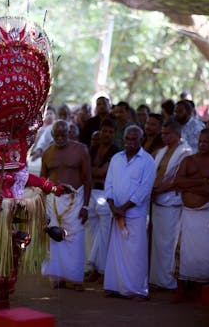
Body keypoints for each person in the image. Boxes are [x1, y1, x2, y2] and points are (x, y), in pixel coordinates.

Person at [103, 125, 156, 300]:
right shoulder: (116, 159)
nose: (130, 142)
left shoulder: (147, 160)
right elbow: (109, 184)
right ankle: (115, 286)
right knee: (116, 252)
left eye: (134, 139)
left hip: (135, 215)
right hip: (116, 213)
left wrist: (123, 209)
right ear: (123, 139)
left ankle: (137, 290)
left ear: (141, 140)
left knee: (136, 253)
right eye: (128, 139)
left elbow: (144, 190)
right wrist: (113, 207)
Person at [173, 128, 209, 301]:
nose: (202, 144)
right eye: (200, 141)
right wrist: (200, 181)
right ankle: (181, 291)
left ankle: (198, 290)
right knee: (183, 252)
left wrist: (188, 185)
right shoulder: (188, 160)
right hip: (188, 215)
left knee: (203, 255)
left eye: (206, 142)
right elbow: (177, 181)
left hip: (206, 217)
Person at [41, 120, 91, 291]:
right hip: (53, 201)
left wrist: (86, 206)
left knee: (75, 239)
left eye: (64, 134)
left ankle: (76, 279)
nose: (61, 137)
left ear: (69, 133)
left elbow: (87, 179)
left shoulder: (80, 150)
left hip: (75, 200)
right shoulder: (47, 152)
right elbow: (42, 180)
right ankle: (59, 277)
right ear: (52, 135)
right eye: (57, 135)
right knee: (55, 238)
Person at [149, 121, 192, 290]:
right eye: (162, 133)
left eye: (167, 134)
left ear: (177, 134)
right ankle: (158, 280)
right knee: (157, 244)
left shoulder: (185, 152)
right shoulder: (161, 151)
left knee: (169, 244)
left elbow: (175, 179)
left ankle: (169, 281)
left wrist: (156, 190)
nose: (163, 136)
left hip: (171, 202)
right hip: (157, 201)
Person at [85, 119, 119, 280]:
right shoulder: (92, 149)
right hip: (91, 193)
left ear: (115, 134)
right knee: (92, 233)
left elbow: (102, 173)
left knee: (105, 234)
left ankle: (103, 271)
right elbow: (86, 172)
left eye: (111, 132)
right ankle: (92, 268)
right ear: (101, 131)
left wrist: (93, 172)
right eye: (105, 131)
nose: (107, 135)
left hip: (106, 196)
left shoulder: (116, 152)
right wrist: (94, 172)